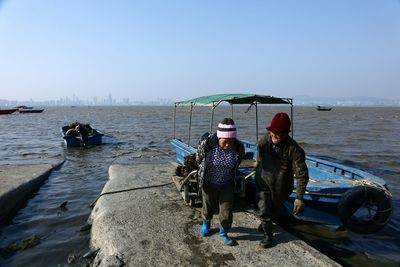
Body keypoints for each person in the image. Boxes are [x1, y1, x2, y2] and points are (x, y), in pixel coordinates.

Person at [255, 112, 309, 248]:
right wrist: (258, 163)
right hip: (263, 179)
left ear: (286, 133)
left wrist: (299, 197)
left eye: (278, 133)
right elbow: (260, 152)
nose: (274, 135)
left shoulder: (294, 150)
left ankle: (265, 222)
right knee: (264, 207)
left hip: (281, 185)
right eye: (272, 132)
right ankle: (269, 236)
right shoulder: (265, 140)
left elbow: (301, 174)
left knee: (272, 208)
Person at [196, 118, 245, 246]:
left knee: (226, 210)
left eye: (231, 141)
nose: (228, 145)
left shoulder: (238, 148)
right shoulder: (208, 145)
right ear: (219, 138)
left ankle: (224, 232)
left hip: (227, 183)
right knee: (208, 205)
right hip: (208, 182)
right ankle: (206, 223)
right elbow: (198, 158)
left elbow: (238, 162)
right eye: (225, 142)